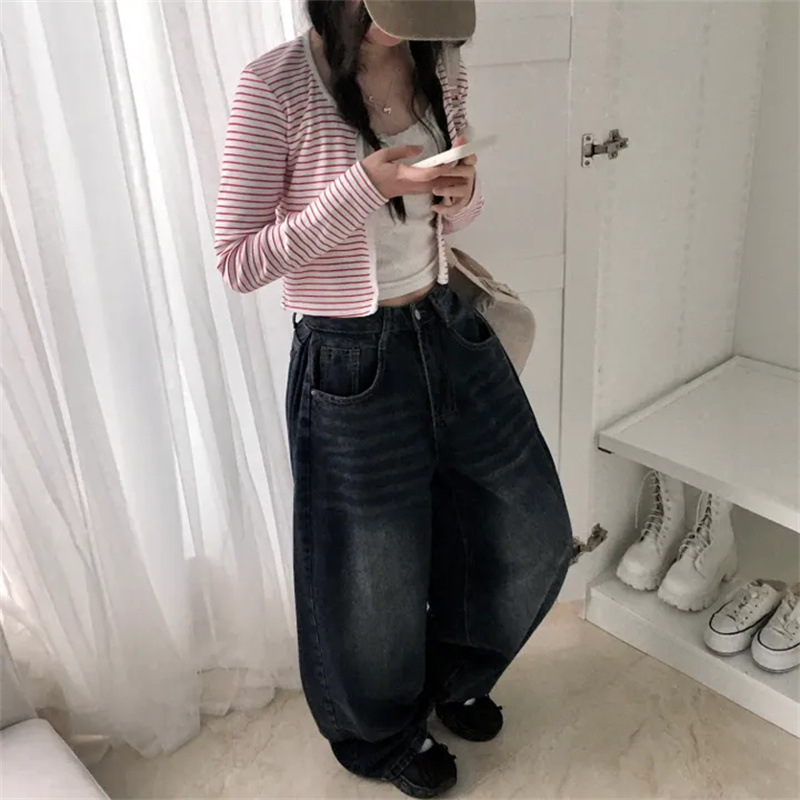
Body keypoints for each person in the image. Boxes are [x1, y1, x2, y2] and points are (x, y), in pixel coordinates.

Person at [213, 1, 572, 796]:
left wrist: (462, 193)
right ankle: (383, 734)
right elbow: (238, 260)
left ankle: (455, 677)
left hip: (447, 322)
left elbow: (452, 215)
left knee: (529, 526)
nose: (404, 27)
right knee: (372, 577)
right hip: (350, 358)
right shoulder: (273, 86)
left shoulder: (438, 62)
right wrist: (360, 189)